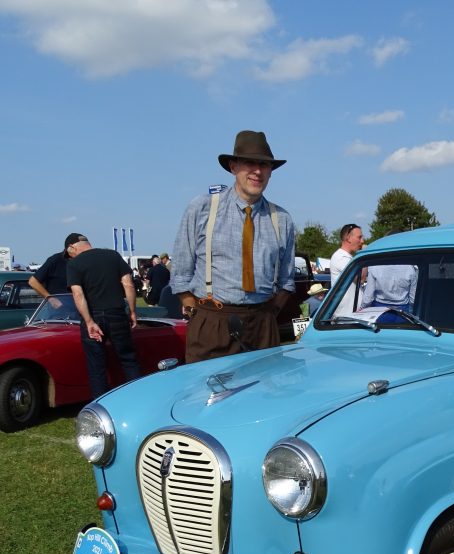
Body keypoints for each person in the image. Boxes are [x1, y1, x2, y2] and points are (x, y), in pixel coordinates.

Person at [170, 130, 296, 362]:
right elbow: (180, 274)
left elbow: (286, 281)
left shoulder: (282, 219)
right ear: (233, 167)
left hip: (262, 326)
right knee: (209, 396)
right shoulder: (202, 208)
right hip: (213, 323)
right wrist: (198, 312)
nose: (257, 171)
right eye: (250, 163)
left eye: (265, 165)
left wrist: (268, 314)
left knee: (263, 396)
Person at [65, 234, 142, 398]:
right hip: (117, 313)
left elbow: (78, 295)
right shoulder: (112, 255)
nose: (69, 257)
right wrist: (133, 311)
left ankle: (100, 407)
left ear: (72, 248)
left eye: (68, 253)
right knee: (128, 360)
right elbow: (128, 284)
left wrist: (89, 321)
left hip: (93, 316)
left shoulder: (74, 264)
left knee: (96, 367)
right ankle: (138, 398)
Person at [29, 235, 79, 307]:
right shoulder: (56, 260)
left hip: (77, 308)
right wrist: (50, 298)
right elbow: (33, 281)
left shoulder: (81, 262)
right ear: (71, 247)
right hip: (58, 311)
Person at [329, 224, 365, 314]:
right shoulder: (341, 257)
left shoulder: (347, 258)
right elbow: (361, 279)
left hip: (349, 314)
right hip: (345, 315)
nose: (362, 241)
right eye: (359, 237)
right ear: (348, 238)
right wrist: (365, 254)